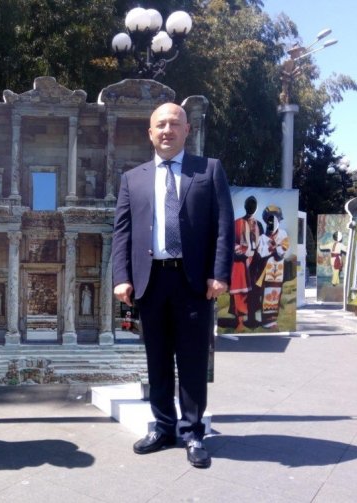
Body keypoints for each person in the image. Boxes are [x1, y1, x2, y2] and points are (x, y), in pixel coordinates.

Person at [112, 103, 234, 468]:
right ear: (150, 133)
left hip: (193, 282)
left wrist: (219, 273)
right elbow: (122, 233)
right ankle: (163, 427)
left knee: (193, 359)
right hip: (151, 281)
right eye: (160, 125)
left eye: (174, 124)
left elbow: (224, 227)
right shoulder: (132, 179)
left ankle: (193, 433)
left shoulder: (209, 170)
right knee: (158, 358)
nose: (167, 130)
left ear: (187, 130)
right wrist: (121, 277)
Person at [228, 196, 263, 331]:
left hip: (256, 262)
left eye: (253, 205)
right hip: (241, 262)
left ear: (256, 208)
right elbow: (231, 242)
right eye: (250, 204)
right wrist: (240, 252)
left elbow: (262, 243)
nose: (251, 207)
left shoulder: (259, 225)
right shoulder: (237, 223)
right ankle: (240, 322)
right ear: (245, 206)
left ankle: (252, 319)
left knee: (255, 291)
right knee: (240, 292)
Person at [253, 205, 289, 329]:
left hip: (278, 270)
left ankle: (273, 319)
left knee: (276, 293)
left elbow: (283, 249)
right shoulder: (262, 238)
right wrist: (271, 248)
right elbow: (261, 252)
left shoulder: (283, 234)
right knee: (266, 293)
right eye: (270, 219)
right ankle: (266, 320)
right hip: (266, 270)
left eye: (275, 219)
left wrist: (275, 248)